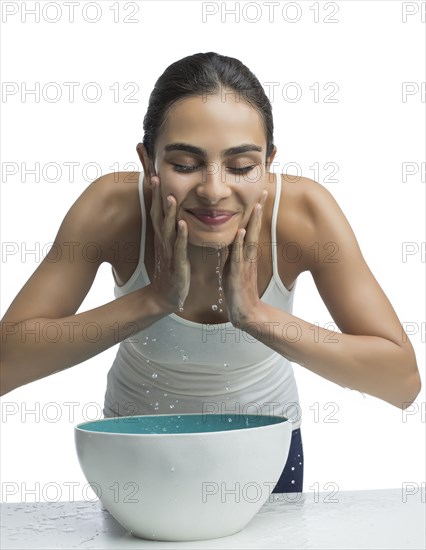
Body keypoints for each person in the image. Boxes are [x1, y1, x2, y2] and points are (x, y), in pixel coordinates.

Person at [0, 52, 421, 494]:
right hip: (134, 451)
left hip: (263, 450)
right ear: (149, 163)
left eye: (241, 167)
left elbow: (401, 382)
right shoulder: (111, 209)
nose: (214, 190)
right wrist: (154, 299)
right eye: (184, 164)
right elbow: (6, 363)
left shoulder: (304, 215)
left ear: (268, 163)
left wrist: (257, 316)